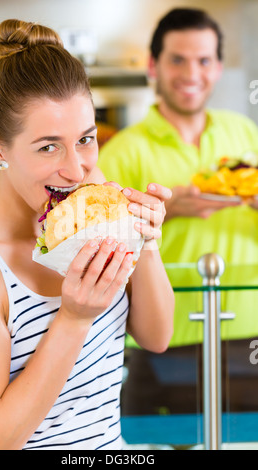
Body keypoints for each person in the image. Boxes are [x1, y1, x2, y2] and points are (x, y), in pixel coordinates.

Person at [0, 19, 174, 450]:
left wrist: (145, 242)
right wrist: (73, 319)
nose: (76, 169)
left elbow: (157, 336)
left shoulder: (92, 195)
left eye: (86, 139)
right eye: (47, 146)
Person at [98, 8, 258, 415]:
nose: (192, 73)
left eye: (204, 60)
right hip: (163, 339)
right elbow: (96, 242)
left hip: (248, 332)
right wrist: (165, 212)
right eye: (177, 59)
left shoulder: (244, 132)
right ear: (153, 65)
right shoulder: (123, 151)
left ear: (218, 68)